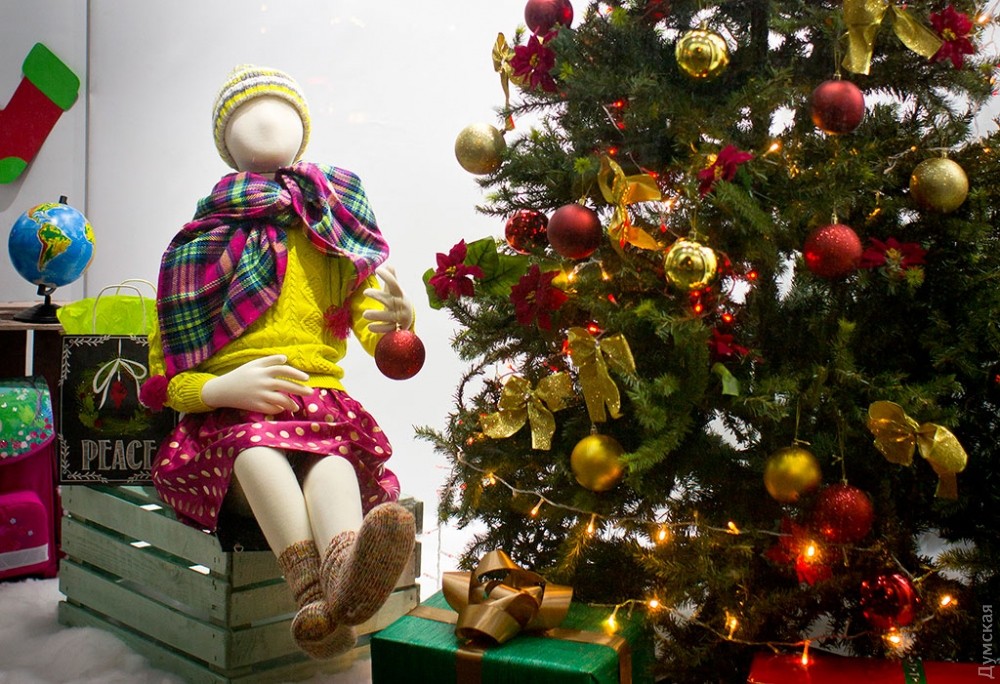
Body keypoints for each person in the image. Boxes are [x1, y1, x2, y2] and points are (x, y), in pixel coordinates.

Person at [141, 65, 415, 659]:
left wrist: (395, 328)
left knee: (332, 461)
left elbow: (372, 328)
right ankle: (312, 593)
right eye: (245, 112)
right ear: (226, 141)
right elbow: (167, 377)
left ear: (303, 131)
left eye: (281, 108)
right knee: (256, 452)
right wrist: (220, 390)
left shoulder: (330, 231)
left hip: (318, 408)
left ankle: (341, 581)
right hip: (229, 423)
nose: (266, 120)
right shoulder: (196, 245)